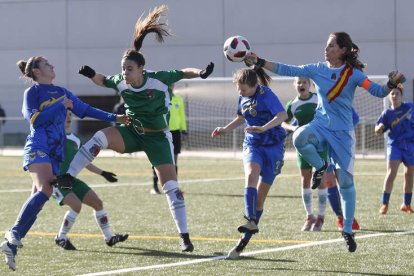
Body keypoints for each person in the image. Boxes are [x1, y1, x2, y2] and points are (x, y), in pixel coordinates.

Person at [61, 5, 214, 252]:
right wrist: (91, 74)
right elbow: (102, 79)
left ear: (142, 69)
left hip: (158, 139)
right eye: (123, 69)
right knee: (100, 136)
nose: (124, 73)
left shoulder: (159, 78)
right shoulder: (121, 82)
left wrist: (202, 73)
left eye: (129, 69)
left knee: (172, 190)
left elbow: (184, 72)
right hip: (132, 133)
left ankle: (184, 237)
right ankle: (68, 176)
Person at [245, 31, 405, 252]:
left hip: (343, 134)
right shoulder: (317, 68)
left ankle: (347, 229)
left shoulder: (354, 74)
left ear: (343, 50)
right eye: (326, 45)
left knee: (346, 184)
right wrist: (260, 61)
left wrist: (390, 84)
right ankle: (320, 166)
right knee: (300, 137)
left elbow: (378, 91)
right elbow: (289, 69)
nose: (326, 49)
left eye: (331, 46)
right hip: (320, 126)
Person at [0, 56, 128, 271]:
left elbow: (86, 110)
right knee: (45, 190)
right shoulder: (32, 92)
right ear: (37, 72)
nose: (52, 66)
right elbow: (34, 120)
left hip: (55, 152)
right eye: (47, 64)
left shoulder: (63, 92)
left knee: (40, 196)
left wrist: (115, 117)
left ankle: (12, 243)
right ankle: (13, 234)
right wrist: (60, 105)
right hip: (39, 145)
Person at [212, 68, 287, 259]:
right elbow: (241, 117)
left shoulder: (266, 95)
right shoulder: (243, 96)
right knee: (251, 175)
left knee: (260, 199)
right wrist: (225, 129)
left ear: (254, 86)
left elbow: (282, 116)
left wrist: (263, 127)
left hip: (273, 147)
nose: (240, 93)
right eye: (239, 89)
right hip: (252, 143)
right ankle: (251, 219)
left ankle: (242, 242)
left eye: (243, 90)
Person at [282, 77, 360, 232]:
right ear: (294, 85)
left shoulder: (320, 99)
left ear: (310, 84)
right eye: (298, 82)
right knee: (306, 179)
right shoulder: (292, 104)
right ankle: (309, 216)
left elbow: (340, 117)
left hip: (322, 144)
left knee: (327, 179)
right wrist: (293, 129)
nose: (301, 85)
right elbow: (284, 122)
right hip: (303, 146)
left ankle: (323, 218)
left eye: (304, 82)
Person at [53, 111, 128, 250]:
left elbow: (84, 161)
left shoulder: (75, 140)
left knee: (98, 203)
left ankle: (109, 237)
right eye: (64, 115)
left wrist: (103, 173)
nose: (68, 117)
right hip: (56, 183)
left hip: (71, 181)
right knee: (76, 206)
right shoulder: (53, 137)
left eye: (70, 114)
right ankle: (61, 237)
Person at [375, 85, 414, 215]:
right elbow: (378, 131)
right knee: (391, 173)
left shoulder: (410, 107)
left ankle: (406, 204)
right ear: (389, 96)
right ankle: (384, 204)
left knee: (409, 174)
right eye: (392, 93)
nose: (394, 96)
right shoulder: (387, 113)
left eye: (397, 93)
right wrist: (379, 128)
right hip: (395, 145)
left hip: (409, 145)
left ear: (401, 96)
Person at [151, 86, 187, 194]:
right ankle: (154, 186)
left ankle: (174, 186)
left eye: (172, 84)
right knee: (158, 160)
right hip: (161, 132)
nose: (170, 86)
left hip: (175, 133)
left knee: (174, 161)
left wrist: (183, 129)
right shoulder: (159, 99)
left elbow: (181, 115)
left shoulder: (178, 99)